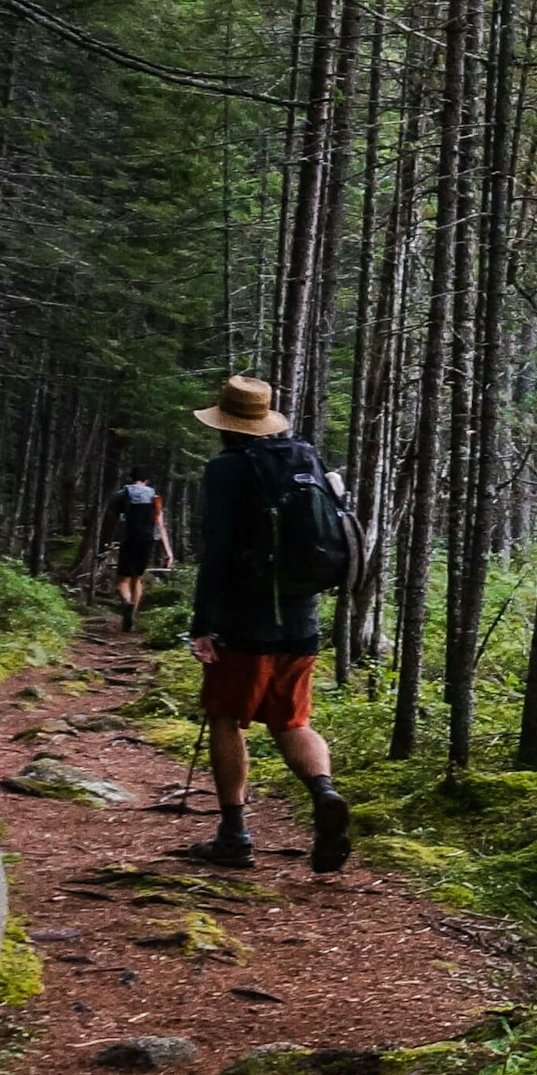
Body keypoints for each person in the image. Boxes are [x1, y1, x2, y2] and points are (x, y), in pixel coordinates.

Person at [185, 374, 353, 873]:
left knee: (224, 717)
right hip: (301, 615)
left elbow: (215, 552)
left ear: (226, 424)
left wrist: (203, 623)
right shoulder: (304, 458)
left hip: (244, 619)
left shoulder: (225, 470)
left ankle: (234, 834)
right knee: (293, 720)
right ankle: (324, 792)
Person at [110, 468, 173, 631]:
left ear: (131, 478)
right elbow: (160, 524)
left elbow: (114, 518)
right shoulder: (155, 497)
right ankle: (133, 616)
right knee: (137, 578)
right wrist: (168, 552)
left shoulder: (123, 494)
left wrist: (108, 540)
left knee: (122, 581)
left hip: (129, 538)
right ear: (147, 481)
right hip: (148, 540)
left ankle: (127, 603)